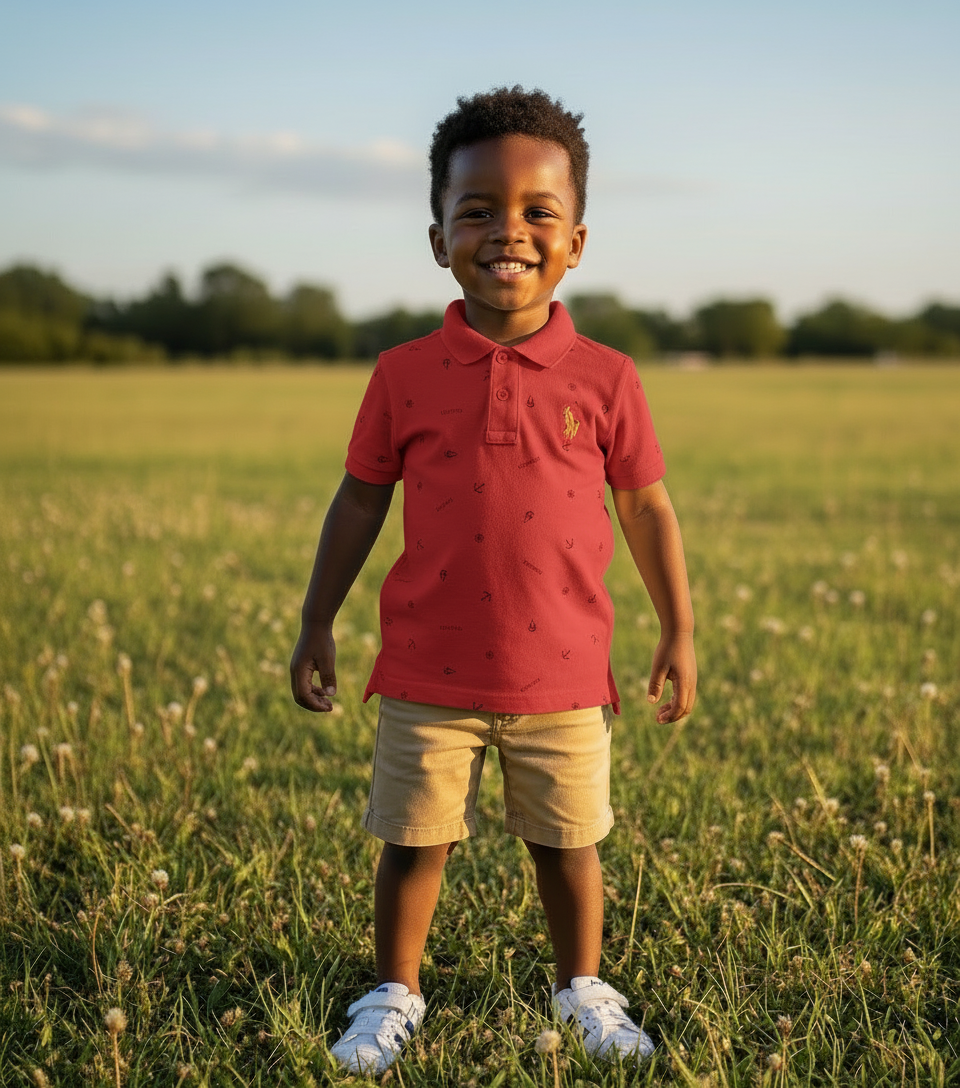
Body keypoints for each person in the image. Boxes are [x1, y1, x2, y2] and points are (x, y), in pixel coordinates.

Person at [290, 85, 696, 1076]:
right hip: (426, 669)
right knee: (412, 841)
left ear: (576, 242)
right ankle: (394, 990)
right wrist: (317, 620)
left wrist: (679, 629)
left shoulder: (607, 377)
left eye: (536, 211)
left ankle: (581, 985)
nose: (507, 230)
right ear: (438, 239)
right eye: (476, 210)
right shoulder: (403, 373)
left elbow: (646, 508)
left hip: (564, 671)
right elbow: (358, 502)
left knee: (568, 844)